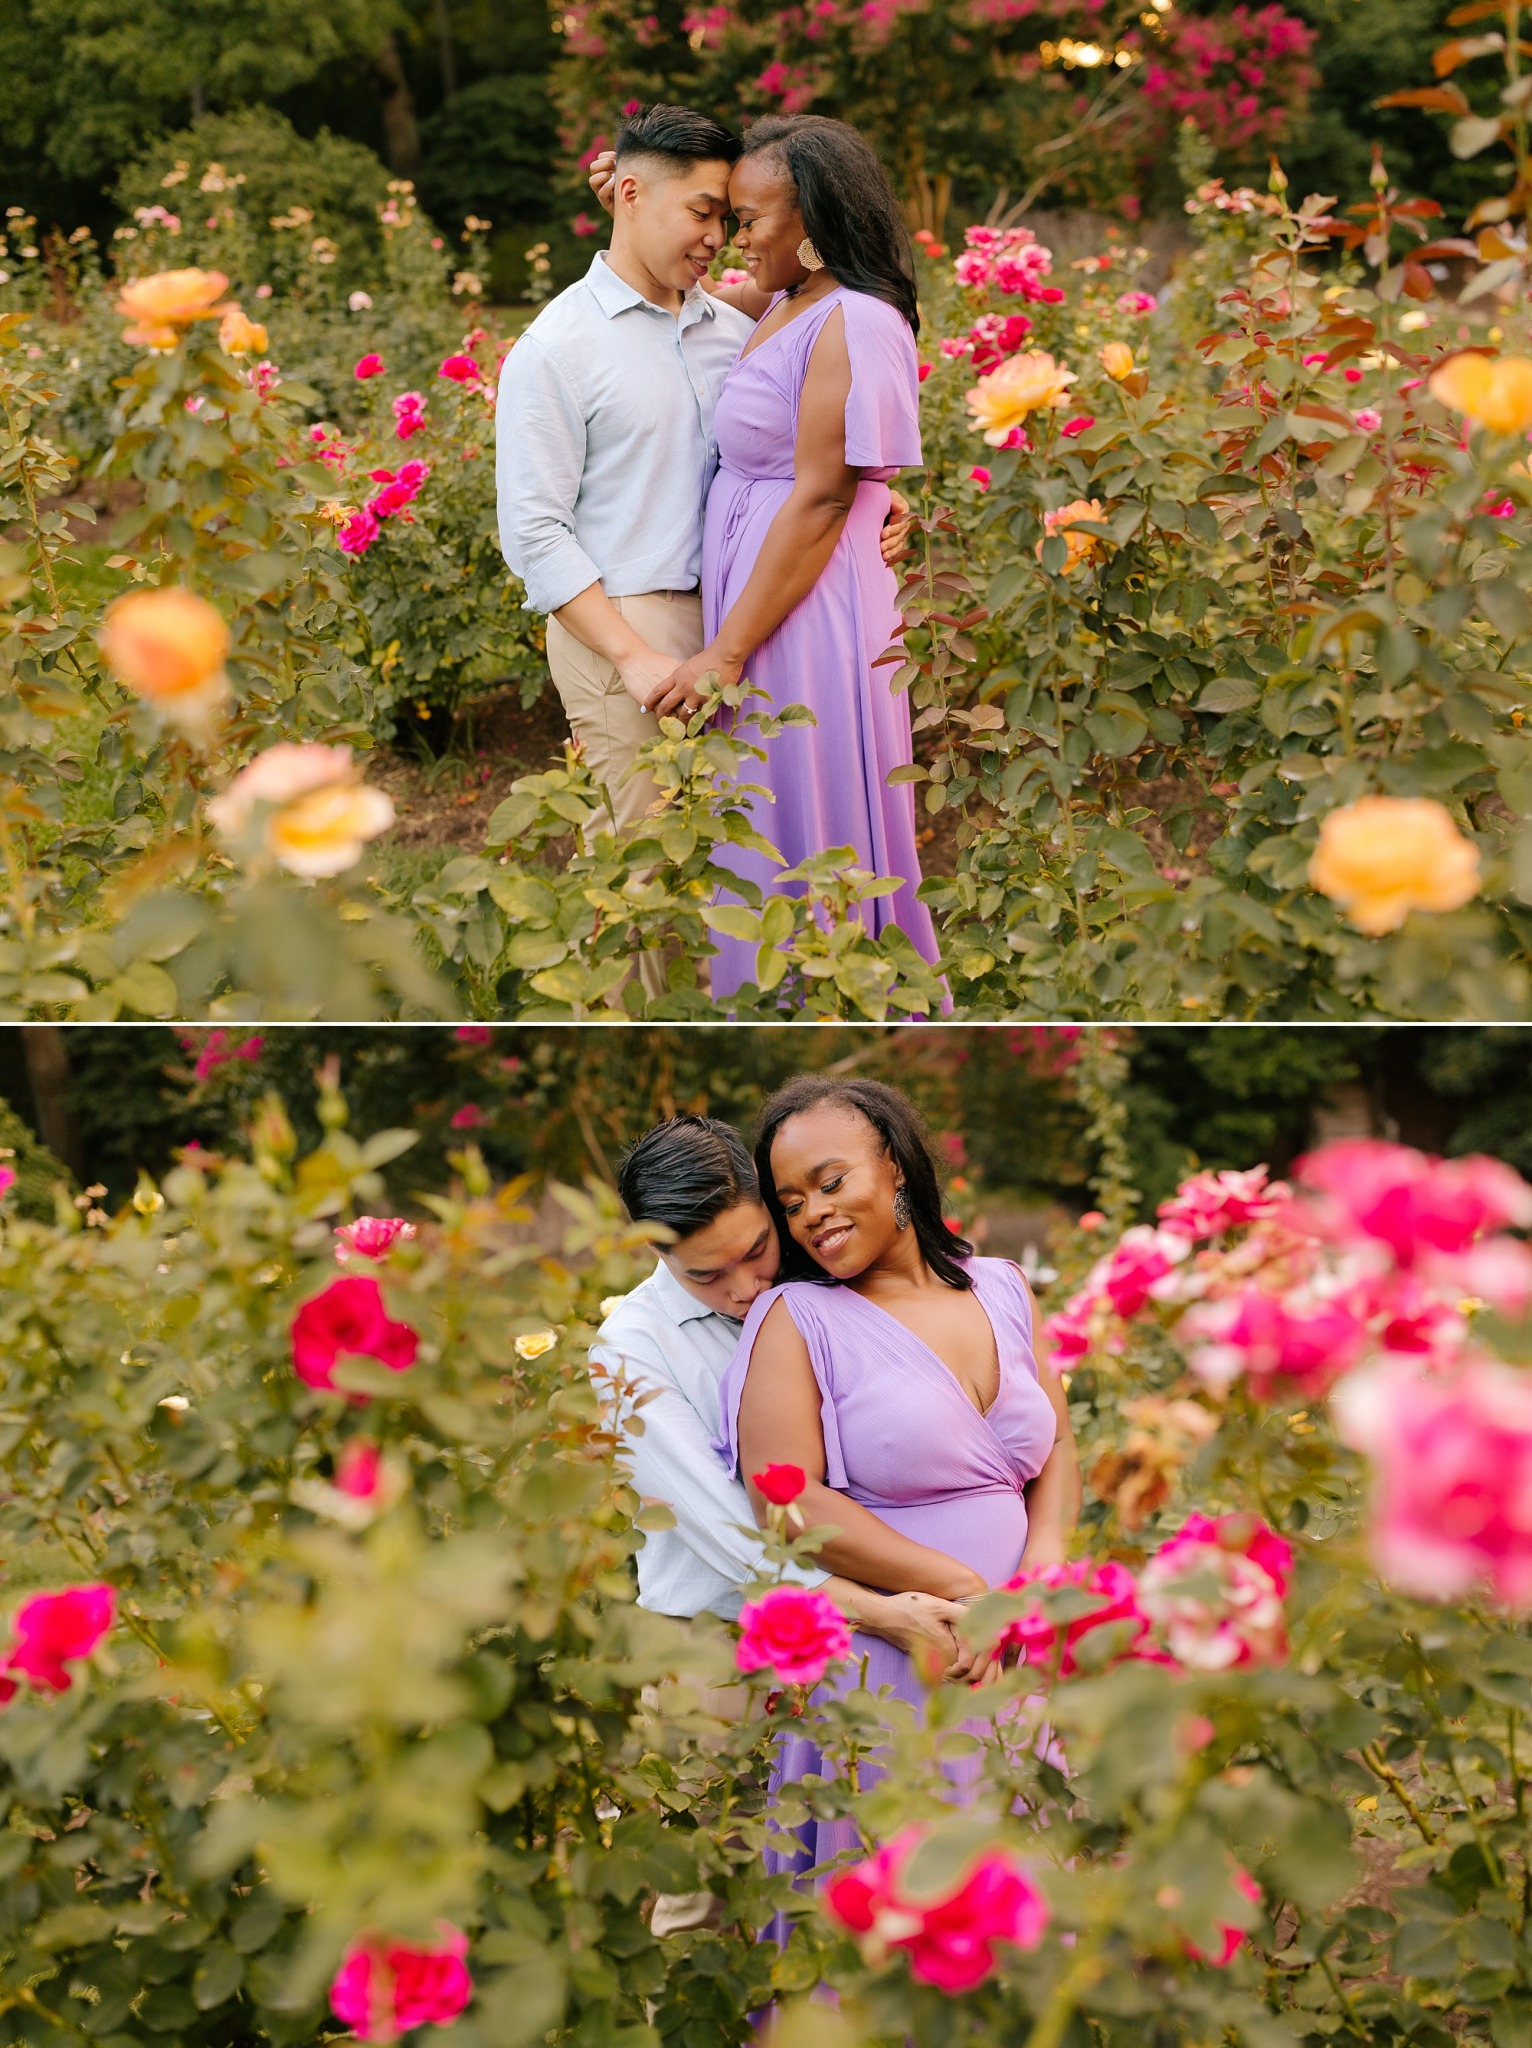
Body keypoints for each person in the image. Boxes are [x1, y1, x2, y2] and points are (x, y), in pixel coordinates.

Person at [498, 106, 910, 1000]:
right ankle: (639, 1025)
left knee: (735, 860)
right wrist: (633, 656)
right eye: (703, 214)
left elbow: (806, 434)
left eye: (728, 216)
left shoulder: (729, 322)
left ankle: (770, 1003)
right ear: (631, 193)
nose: (719, 237)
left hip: (745, 616)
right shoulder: (556, 349)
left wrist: (878, 490)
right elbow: (533, 533)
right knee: (648, 873)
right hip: (630, 623)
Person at [590, 1109, 987, 1938]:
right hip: (720, 1646)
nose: (745, 1287)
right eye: (708, 1274)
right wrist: (880, 1607)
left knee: (840, 1873)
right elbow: (722, 1529)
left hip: (864, 1640)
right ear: (656, 1251)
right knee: (700, 1899)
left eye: (755, 1250)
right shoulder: (631, 1348)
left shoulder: (824, 1287)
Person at [713, 1074, 1081, 1888]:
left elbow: (1055, 1446)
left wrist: (1038, 1575)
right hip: (905, 1648)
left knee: (1023, 1902)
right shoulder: (797, 1320)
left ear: (898, 1170)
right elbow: (789, 1499)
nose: (812, 1211)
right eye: (792, 1200)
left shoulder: (1005, 1288)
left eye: (831, 1181)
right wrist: (959, 1586)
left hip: (1011, 1641)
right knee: (906, 1910)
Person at [655, 117, 946, 1002]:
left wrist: (725, 652)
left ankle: (817, 990)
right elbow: (675, 282)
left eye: (751, 219)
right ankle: (772, 983)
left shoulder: (856, 317)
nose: (736, 239)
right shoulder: (789, 301)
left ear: (813, 222)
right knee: (763, 797)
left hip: (805, 606)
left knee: (798, 793)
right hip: (770, 592)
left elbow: (823, 494)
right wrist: (637, 197)